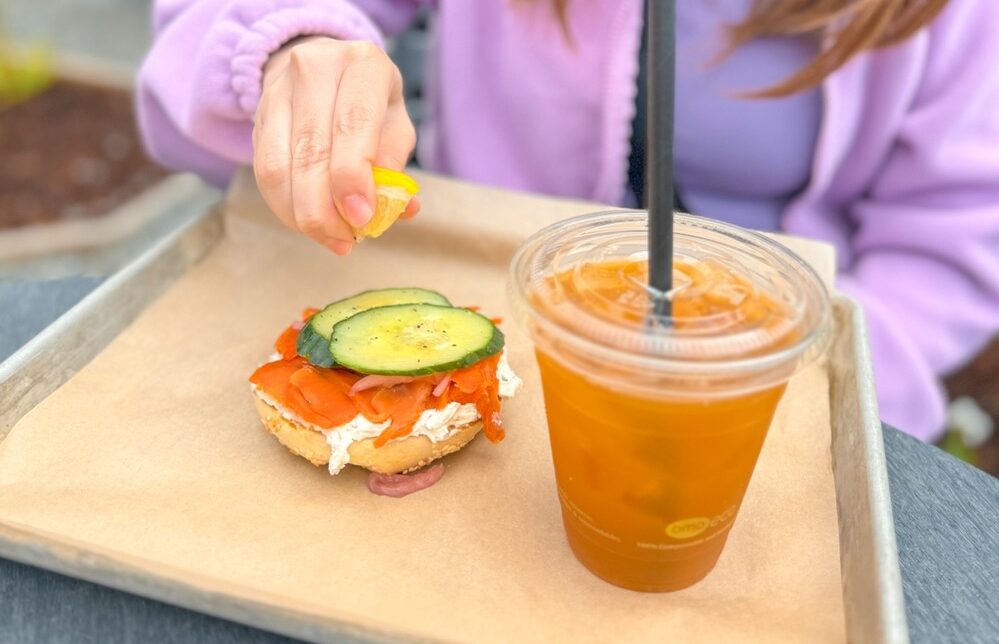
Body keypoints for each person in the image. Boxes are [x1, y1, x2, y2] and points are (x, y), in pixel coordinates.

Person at [137, 0, 999, 442]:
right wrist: (290, 53)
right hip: (485, 334)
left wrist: (806, 383)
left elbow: (950, 234)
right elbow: (229, 21)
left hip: (770, 400)